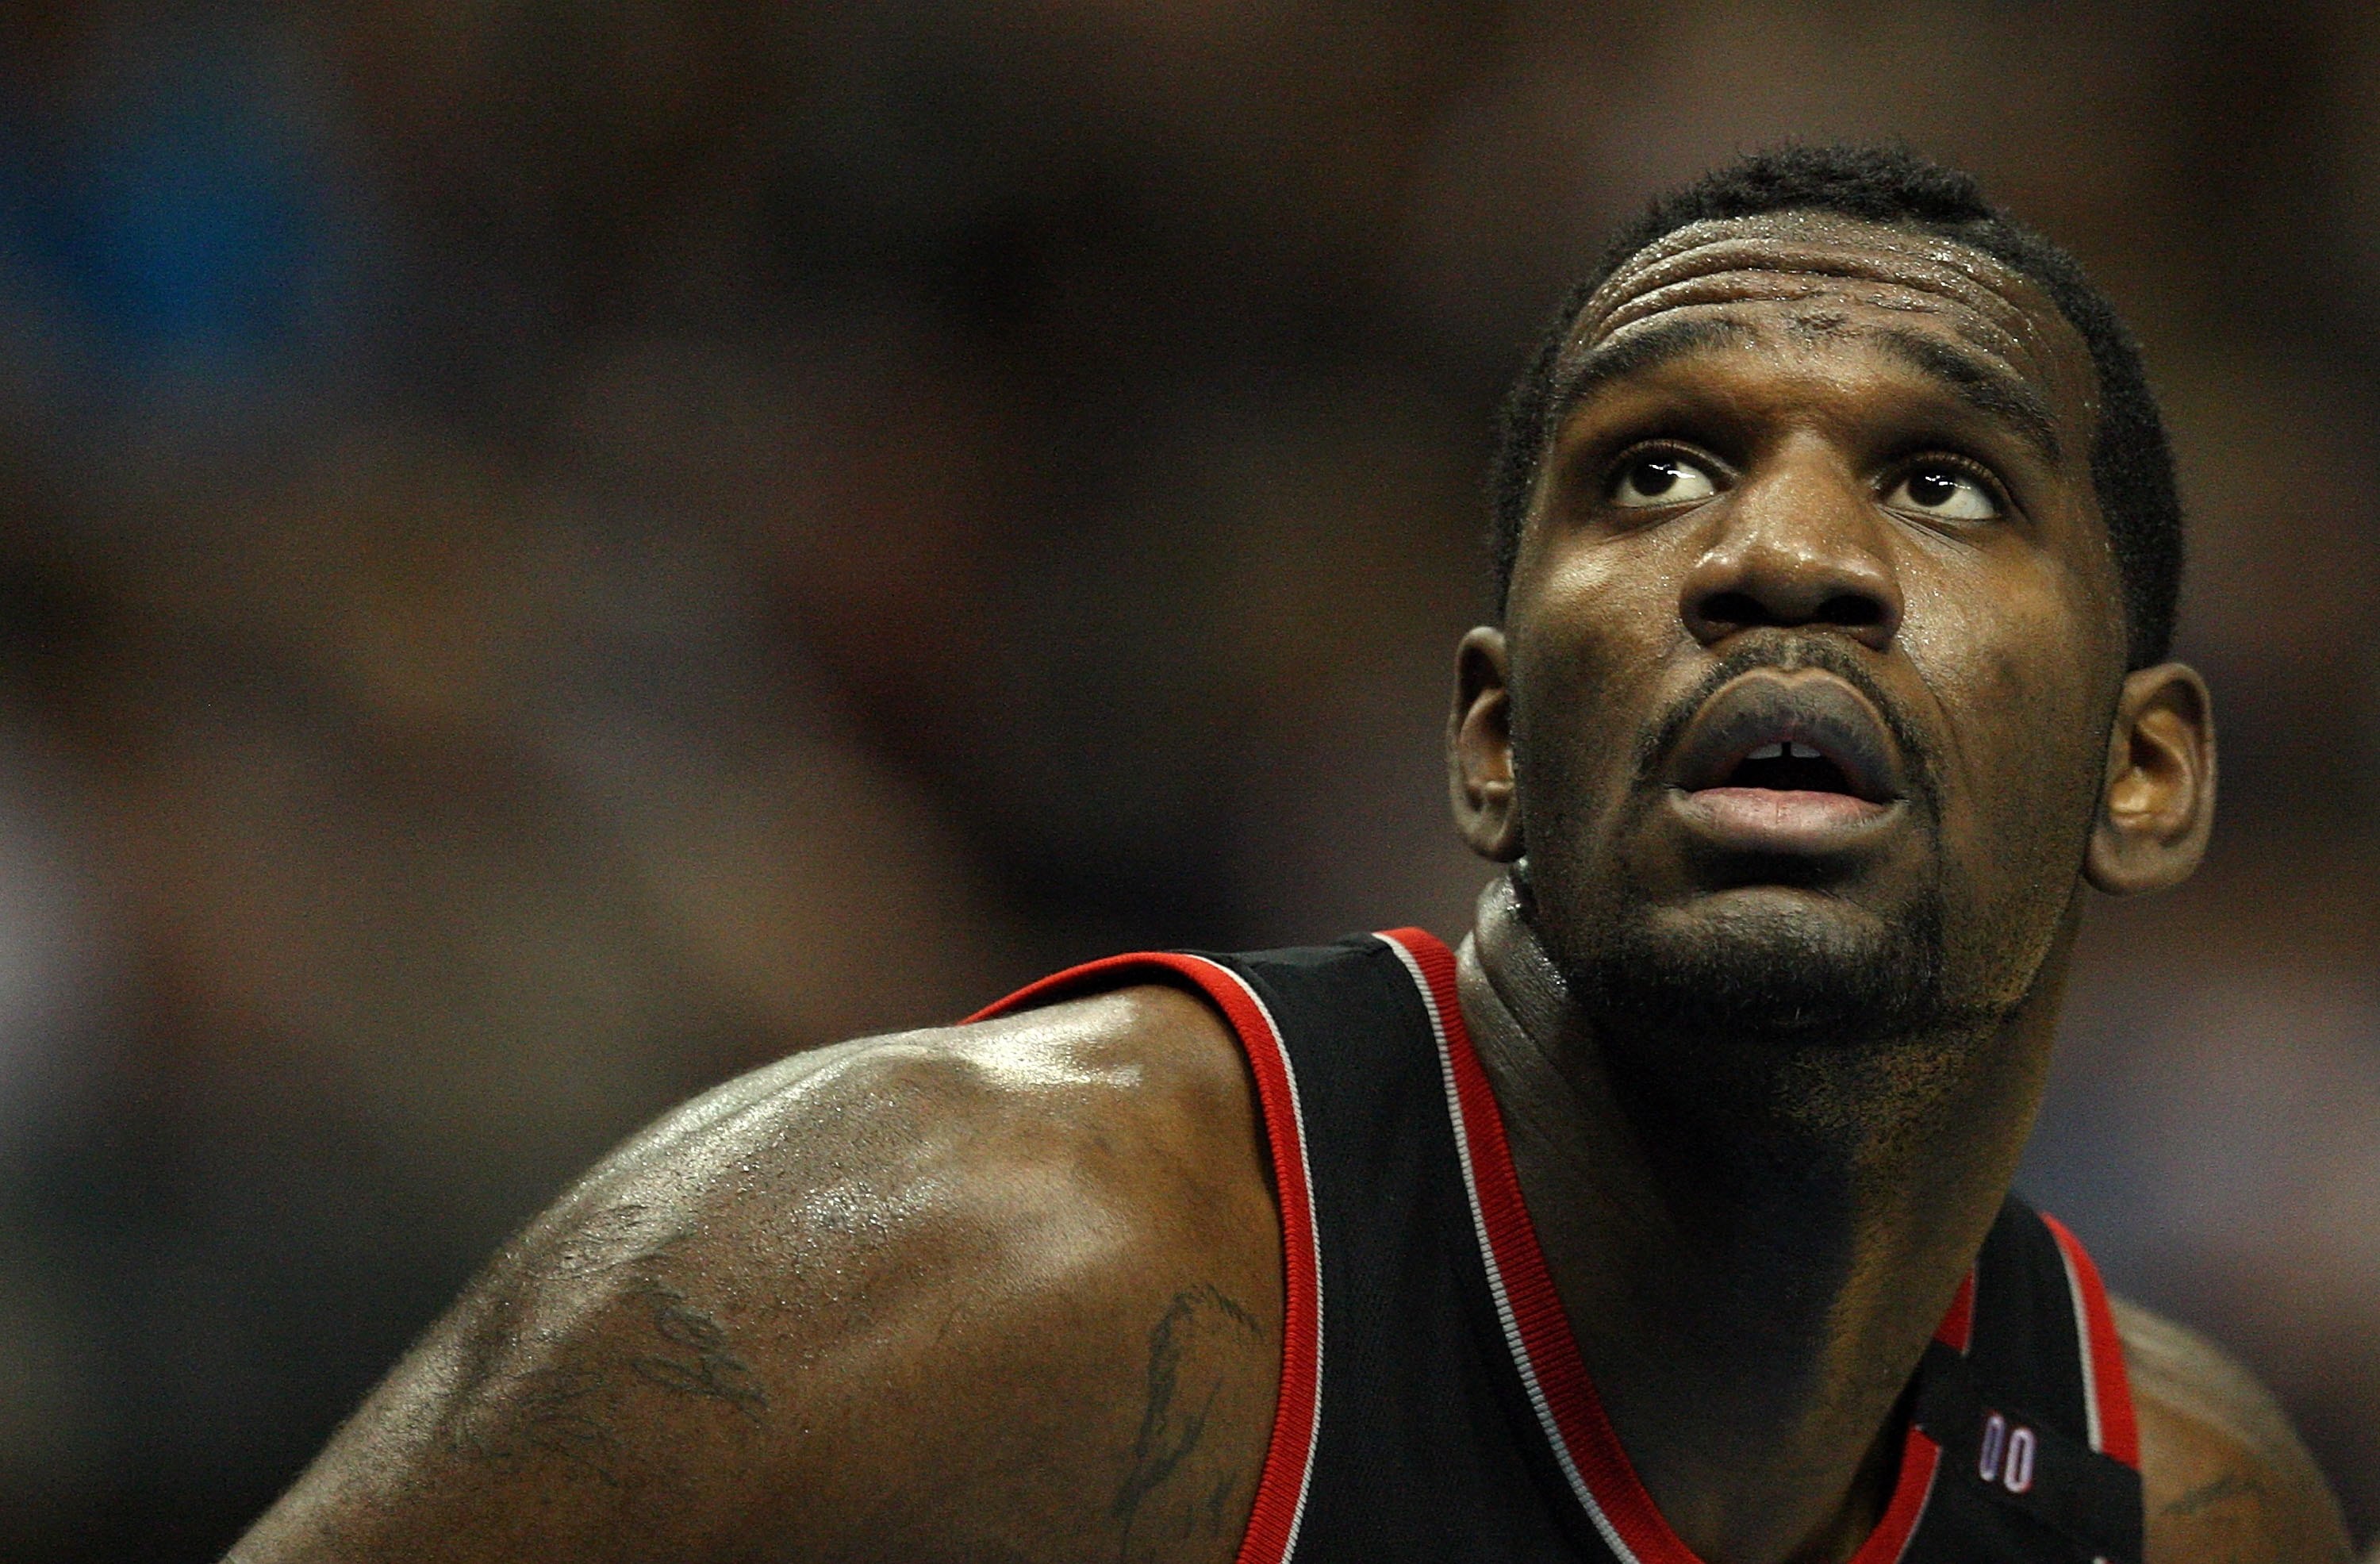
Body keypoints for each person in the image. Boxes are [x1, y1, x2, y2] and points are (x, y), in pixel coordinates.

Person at [227, 144, 2353, 1564]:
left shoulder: (2185, 1508)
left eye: (1949, 483)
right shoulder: (942, 1277)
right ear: (1496, 740)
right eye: (1661, 468)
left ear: (2144, 773)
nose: (1781, 554)